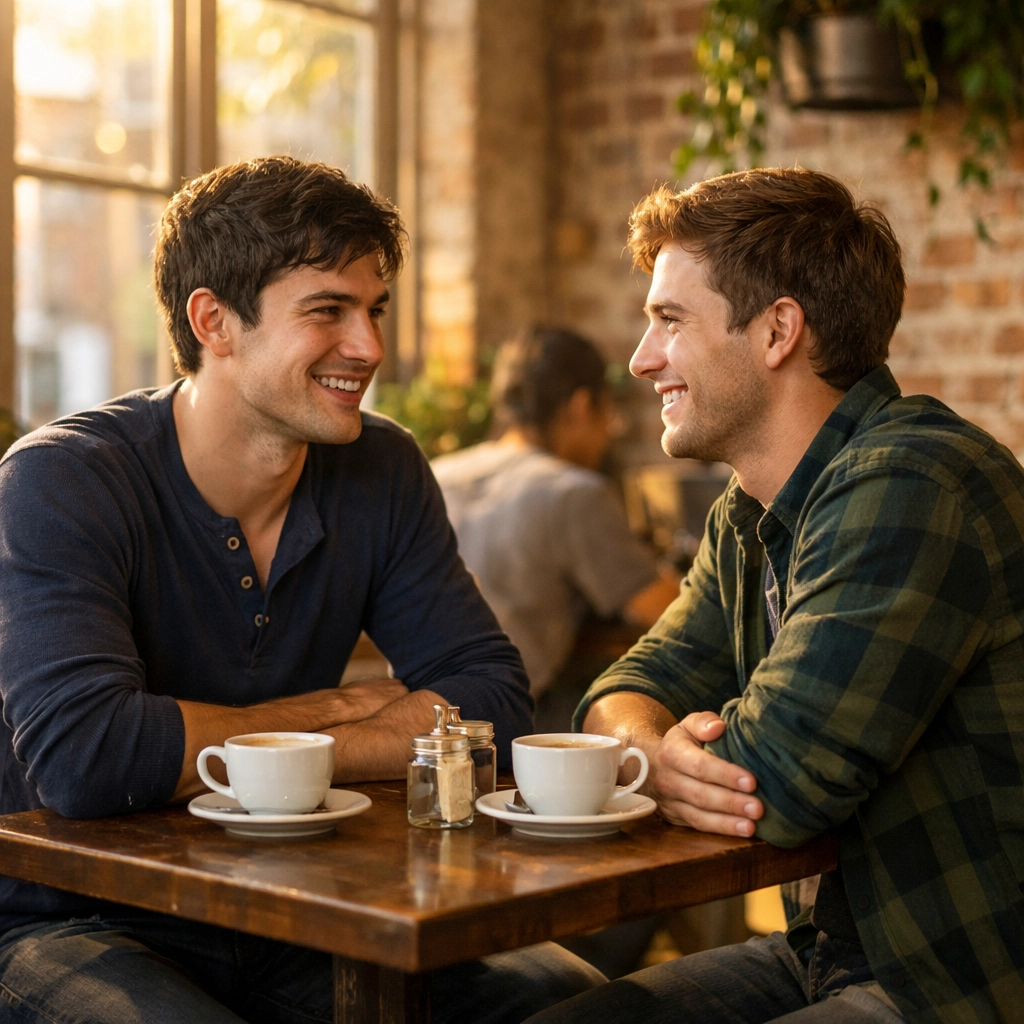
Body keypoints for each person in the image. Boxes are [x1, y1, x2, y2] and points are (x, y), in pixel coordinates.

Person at [0, 156, 602, 1024]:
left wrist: (260, 741)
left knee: (572, 1002)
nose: (371, 348)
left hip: (294, 905)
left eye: (375, 310)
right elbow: (89, 759)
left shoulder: (381, 467)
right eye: (329, 310)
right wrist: (338, 710)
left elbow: (492, 705)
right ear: (215, 321)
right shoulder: (65, 479)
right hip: (72, 920)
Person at [525, 168, 1024, 1024]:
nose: (642, 360)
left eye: (669, 322)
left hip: (952, 977)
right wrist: (655, 752)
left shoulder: (912, 481)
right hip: (831, 950)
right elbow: (620, 691)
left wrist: (651, 760)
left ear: (777, 332)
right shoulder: (749, 512)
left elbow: (777, 783)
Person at [432, 326, 680, 716]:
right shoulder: (573, 493)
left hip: (420, 723)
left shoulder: (436, 475)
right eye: (607, 414)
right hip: (513, 727)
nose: (606, 432)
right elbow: (668, 613)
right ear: (582, 406)